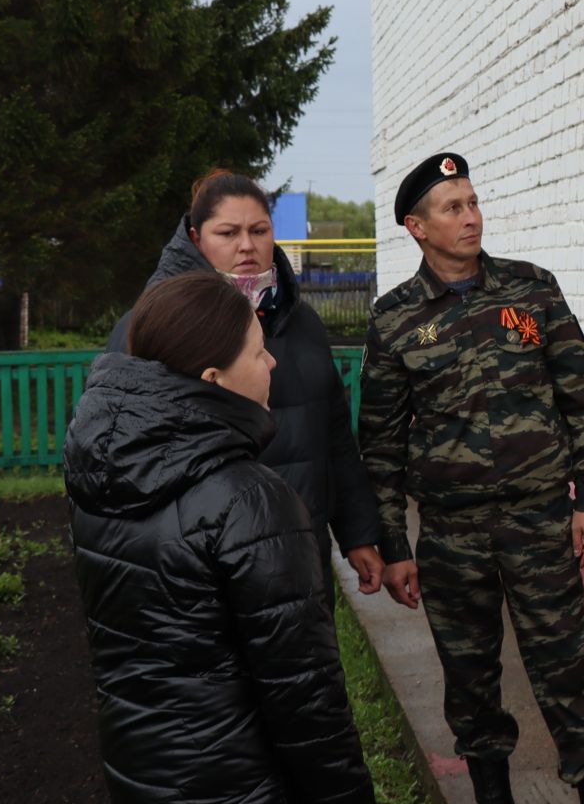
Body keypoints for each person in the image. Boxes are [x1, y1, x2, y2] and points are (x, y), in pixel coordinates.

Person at [66, 272, 380, 804]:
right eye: (255, 349)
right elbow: (303, 692)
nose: (273, 361)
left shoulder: (107, 477)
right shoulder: (245, 497)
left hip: (160, 784)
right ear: (211, 379)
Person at [356, 151, 584, 804]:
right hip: (451, 531)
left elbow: (581, 399)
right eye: (452, 208)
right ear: (416, 228)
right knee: (469, 675)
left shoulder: (532, 289)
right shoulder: (396, 318)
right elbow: (380, 441)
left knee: (565, 669)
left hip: (537, 520)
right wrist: (392, 543)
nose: (471, 217)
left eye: (473, 202)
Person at [107, 169, 385, 603]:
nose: (247, 245)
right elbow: (125, 460)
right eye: (228, 232)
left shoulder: (302, 322)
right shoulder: (155, 328)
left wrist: (358, 534)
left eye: (259, 230)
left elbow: (333, 438)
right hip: (202, 571)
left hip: (301, 554)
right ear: (196, 239)